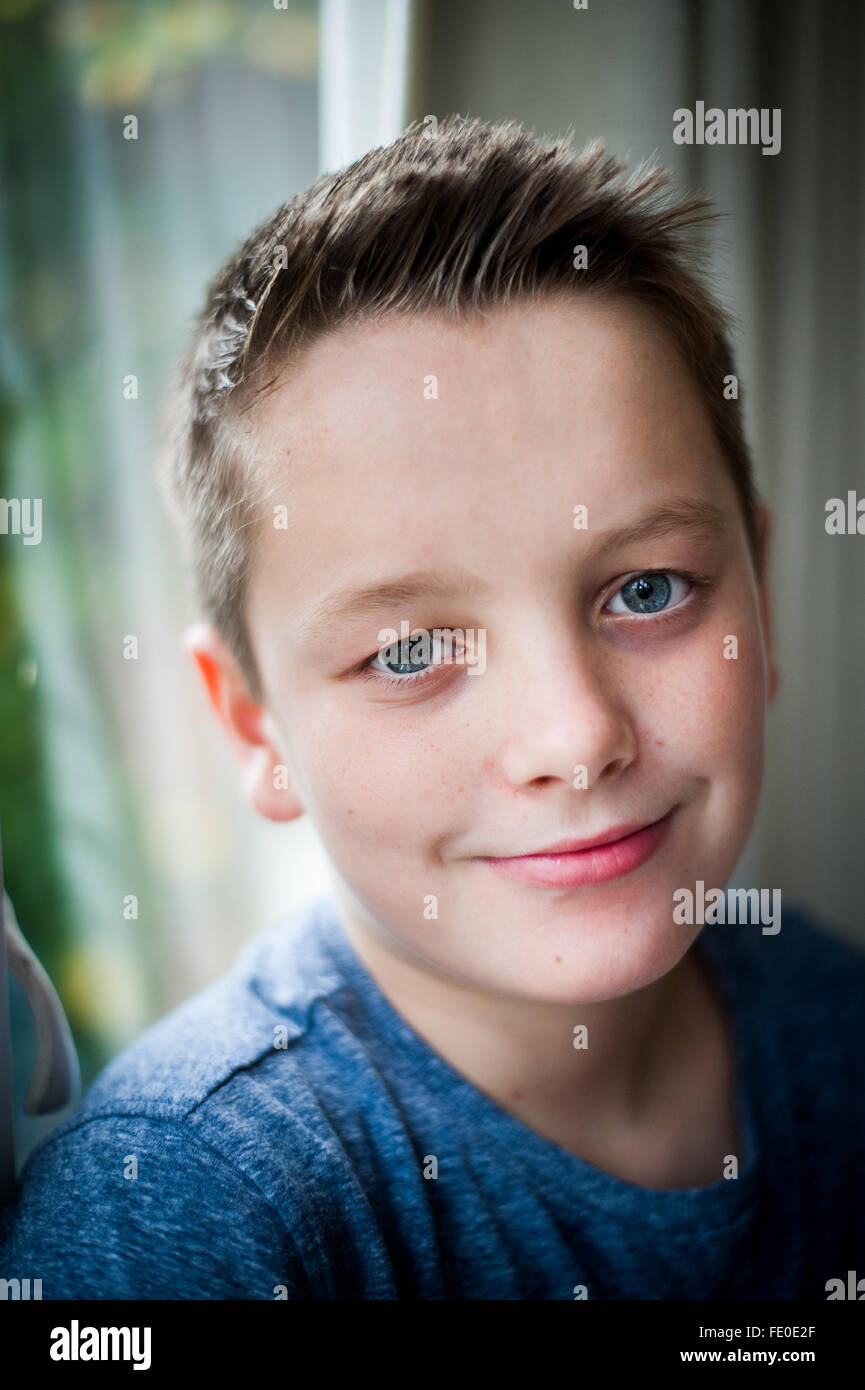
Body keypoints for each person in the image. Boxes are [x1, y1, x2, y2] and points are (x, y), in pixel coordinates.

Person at [2, 116, 863, 1300]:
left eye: (646, 590)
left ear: (756, 601)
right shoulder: (179, 1204)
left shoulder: (835, 1018)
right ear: (255, 727)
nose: (576, 736)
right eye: (410, 650)